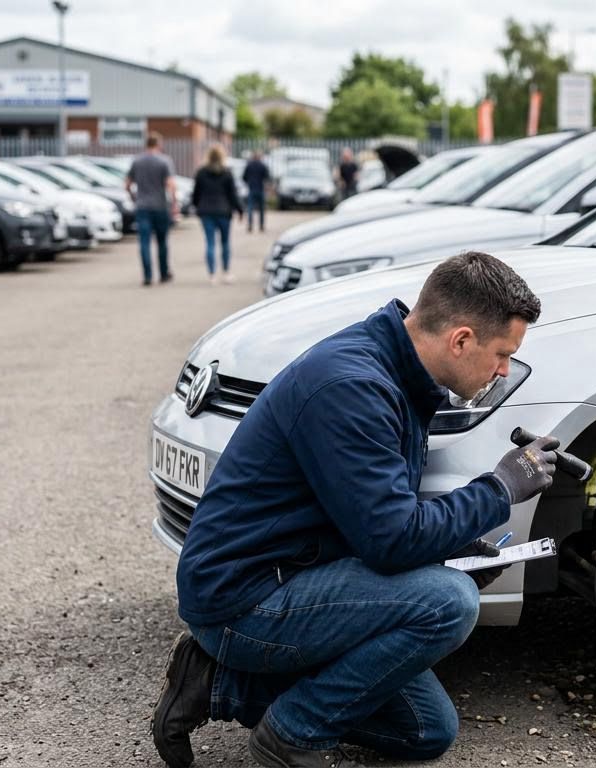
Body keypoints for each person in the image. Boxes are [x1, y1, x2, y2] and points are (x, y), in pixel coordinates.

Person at [151, 252, 558, 768]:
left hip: (298, 571)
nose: (505, 369)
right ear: (461, 339)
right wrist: (500, 489)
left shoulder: (395, 370)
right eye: (502, 354)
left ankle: (219, 686)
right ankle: (291, 736)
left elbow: (373, 508)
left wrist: (456, 547)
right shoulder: (352, 387)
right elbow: (391, 542)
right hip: (243, 599)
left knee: (426, 731)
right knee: (449, 602)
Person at [126, 133, 178, 286]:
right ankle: (163, 273)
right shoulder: (164, 161)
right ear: (158, 144)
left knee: (144, 242)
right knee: (162, 242)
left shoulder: (137, 161)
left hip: (142, 207)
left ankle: (147, 276)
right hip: (160, 206)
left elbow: (127, 184)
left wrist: (133, 198)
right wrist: (174, 203)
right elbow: (170, 185)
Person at [193, 144, 244, 284]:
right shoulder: (226, 173)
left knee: (210, 243)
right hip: (223, 211)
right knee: (225, 242)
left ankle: (212, 275)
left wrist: (197, 207)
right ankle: (226, 272)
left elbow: (196, 194)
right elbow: (233, 194)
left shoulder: (201, 172)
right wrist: (240, 210)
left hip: (206, 212)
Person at [242, 149, 271, 233]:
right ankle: (261, 226)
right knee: (261, 209)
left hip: (251, 189)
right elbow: (267, 178)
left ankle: (250, 225)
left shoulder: (249, 165)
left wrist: (249, 182)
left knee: (250, 208)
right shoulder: (263, 166)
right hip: (260, 189)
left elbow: (244, 177)